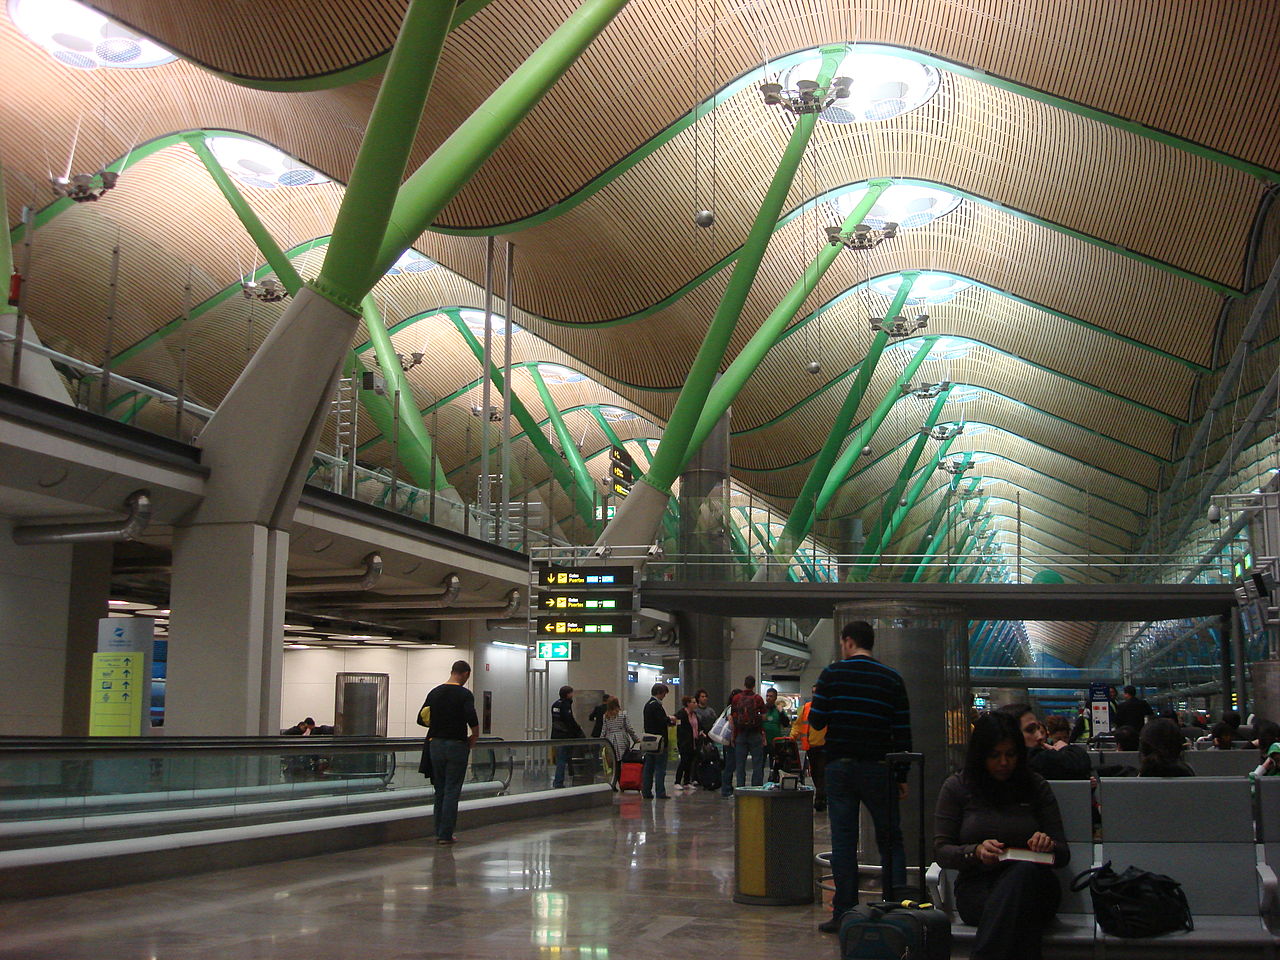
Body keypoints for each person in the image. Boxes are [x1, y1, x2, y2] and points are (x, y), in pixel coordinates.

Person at [934, 712, 1069, 960]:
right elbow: (942, 850)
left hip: (1037, 886)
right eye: (995, 755)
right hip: (979, 891)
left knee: (1023, 874)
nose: (1004, 762)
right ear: (980, 755)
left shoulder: (1035, 786)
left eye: (1011, 754)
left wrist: (1047, 845)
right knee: (1019, 909)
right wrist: (974, 852)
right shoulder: (958, 787)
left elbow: (1062, 854)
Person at [810, 621, 912, 934]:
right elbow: (902, 732)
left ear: (849, 641)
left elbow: (816, 721)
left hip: (840, 767)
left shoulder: (831, 675)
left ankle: (844, 913)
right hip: (879, 768)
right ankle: (895, 909)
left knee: (843, 841)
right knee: (890, 838)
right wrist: (901, 775)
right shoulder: (891, 679)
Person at [421, 660, 479, 845]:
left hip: (435, 744)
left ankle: (439, 831)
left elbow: (422, 717)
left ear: (452, 671)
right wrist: (474, 737)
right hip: (456, 744)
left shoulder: (435, 692)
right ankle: (446, 835)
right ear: (466, 674)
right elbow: (472, 717)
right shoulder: (464, 694)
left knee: (440, 789)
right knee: (452, 789)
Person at [791, 683, 828, 811]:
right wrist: (791, 738)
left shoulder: (828, 708)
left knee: (822, 772)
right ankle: (822, 793)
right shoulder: (806, 708)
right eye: (813, 692)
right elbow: (798, 725)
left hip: (825, 746)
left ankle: (820, 798)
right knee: (815, 772)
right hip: (811, 746)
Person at [730, 676, 767, 789]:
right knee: (757, 764)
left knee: (740, 765)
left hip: (741, 734)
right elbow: (764, 717)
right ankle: (756, 790)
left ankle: (741, 789)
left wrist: (733, 736)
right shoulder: (758, 698)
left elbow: (733, 717)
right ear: (754, 685)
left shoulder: (736, 698)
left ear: (744, 684)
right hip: (755, 734)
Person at [1030, 714, 1091, 780]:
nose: (1062, 742)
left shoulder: (1073, 755)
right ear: (1049, 736)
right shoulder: (1043, 754)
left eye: (1065, 738)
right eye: (1058, 739)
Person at [642, 683, 675, 799]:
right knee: (660, 767)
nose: (664, 696)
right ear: (660, 693)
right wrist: (670, 720)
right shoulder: (656, 705)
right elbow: (661, 721)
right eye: (664, 694)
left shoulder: (647, 705)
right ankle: (660, 792)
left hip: (648, 740)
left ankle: (646, 791)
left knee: (648, 767)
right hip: (659, 740)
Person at [550, 684, 585, 789]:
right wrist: (578, 731)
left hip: (556, 736)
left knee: (562, 758)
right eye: (571, 693)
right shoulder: (565, 705)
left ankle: (566, 777)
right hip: (565, 736)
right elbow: (569, 720)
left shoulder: (555, 704)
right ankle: (559, 782)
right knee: (562, 759)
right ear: (568, 694)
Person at [598, 696, 638, 763]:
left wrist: (601, 742)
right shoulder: (623, 714)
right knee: (623, 758)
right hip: (622, 738)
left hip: (610, 739)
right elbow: (629, 728)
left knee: (612, 760)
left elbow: (604, 730)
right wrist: (635, 739)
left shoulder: (605, 716)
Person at [673, 695, 699, 790]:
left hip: (693, 741)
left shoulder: (694, 714)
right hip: (684, 742)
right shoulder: (682, 714)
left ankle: (687, 781)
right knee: (684, 761)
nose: (695, 704)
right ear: (688, 704)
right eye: (693, 702)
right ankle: (677, 781)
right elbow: (677, 723)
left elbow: (697, 725)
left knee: (690, 761)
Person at [719, 689, 740, 798]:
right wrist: (732, 737)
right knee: (730, 765)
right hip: (730, 741)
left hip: (729, 740)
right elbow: (730, 721)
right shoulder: (732, 709)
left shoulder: (730, 708)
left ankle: (728, 788)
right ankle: (726, 789)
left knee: (730, 765)